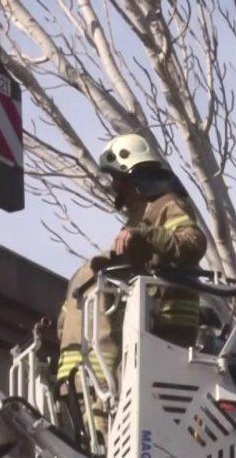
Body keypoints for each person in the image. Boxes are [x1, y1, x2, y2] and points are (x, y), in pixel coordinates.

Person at [54, 133, 207, 439]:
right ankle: (84, 398)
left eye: (118, 180)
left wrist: (146, 237)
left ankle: (101, 419)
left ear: (134, 175)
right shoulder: (139, 214)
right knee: (89, 277)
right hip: (144, 317)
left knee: (95, 280)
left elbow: (193, 243)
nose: (115, 187)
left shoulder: (166, 204)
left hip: (167, 317)